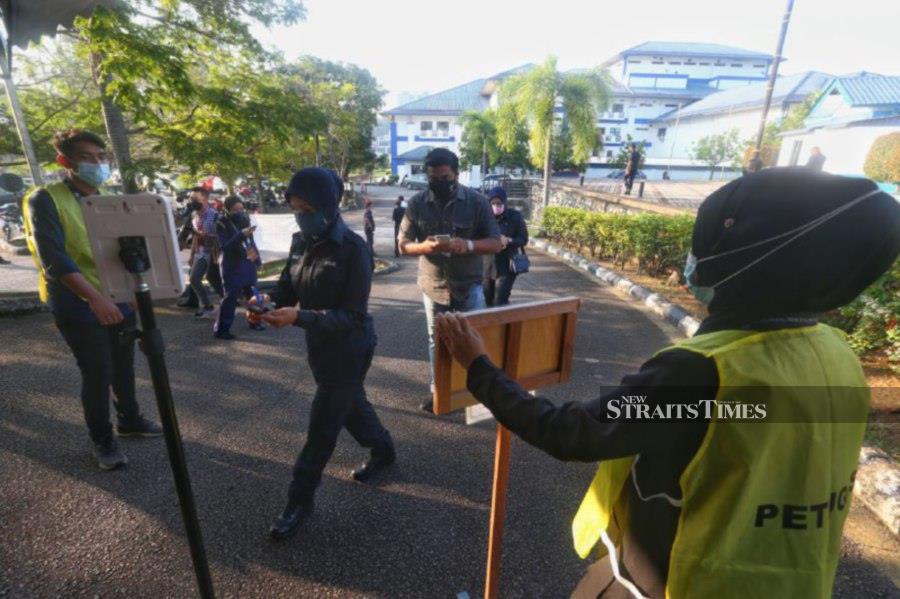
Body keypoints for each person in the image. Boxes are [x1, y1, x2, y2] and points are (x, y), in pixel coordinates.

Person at [435, 168, 900, 598]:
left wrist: (478, 366)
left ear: (743, 263)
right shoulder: (836, 352)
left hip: (684, 582)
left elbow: (568, 431)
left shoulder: (704, 374)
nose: (691, 261)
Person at [259, 167, 396, 541]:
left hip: (351, 347)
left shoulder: (354, 250)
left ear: (327, 205)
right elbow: (288, 286)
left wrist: (299, 317)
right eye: (295, 207)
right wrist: (266, 300)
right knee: (351, 406)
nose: (301, 214)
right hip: (319, 346)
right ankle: (383, 449)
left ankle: (298, 502)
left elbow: (353, 316)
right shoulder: (300, 242)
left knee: (322, 426)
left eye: (307, 207)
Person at [22, 129, 162, 470]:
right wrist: (96, 299)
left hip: (119, 297)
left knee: (123, 365)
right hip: (78, 303)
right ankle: (103, 440)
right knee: (97, 372)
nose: (98, 164)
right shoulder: (45, 198)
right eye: (88, 157)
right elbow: (53, 257)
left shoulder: (107, 200)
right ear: (64, 161)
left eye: (102, 157)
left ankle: (130, 419)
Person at [397, 148, 502, 412]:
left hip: (469, 285)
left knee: (474, 338)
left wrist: (466, 245)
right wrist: (426, 247)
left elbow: (495, 243)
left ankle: (476, 395)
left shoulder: (477, 202)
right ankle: (440, 392)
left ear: (455, 173)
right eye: (433, 177)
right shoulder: (417, 203)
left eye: (445, 177)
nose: (439, 182)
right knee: (437, 341)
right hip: (433, 285)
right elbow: (403, 245)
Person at [213, 195, 262, 340]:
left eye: (241, 208)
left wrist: (257, 260)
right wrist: (241, 234)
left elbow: (251, 242)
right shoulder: (221, 223)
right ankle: (222, 330)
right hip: (232, 265)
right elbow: (226, 247)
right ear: (227, 210)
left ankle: (255, 321)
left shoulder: (245, 219)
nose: (240, 212)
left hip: (248, 262)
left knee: (253, 295)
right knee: (230, 298)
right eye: (235, 210)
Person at [482, 187, 528, 306]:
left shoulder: (515, 216)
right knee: (487, 301)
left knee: (500, 301)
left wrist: (508, 240)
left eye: (499, 203)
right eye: (493, 203)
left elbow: (523, 239)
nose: (496, 206)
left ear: (505, 202)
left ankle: (503, 323)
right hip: (487, 266)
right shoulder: (484, 217)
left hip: (507, 266)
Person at [187, 187, 220, 319]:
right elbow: (195, 236)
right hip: (200, 253)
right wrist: (191, 255)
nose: (191, 201)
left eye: (194, 199)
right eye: (190, 199)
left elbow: (221, 236)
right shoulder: (194, 216)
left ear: (205, 199)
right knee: (194, 279)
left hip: (214, 253)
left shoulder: (215, 215)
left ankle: (229, 302)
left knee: (215, 279)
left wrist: (207, 236)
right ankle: (207, 306)